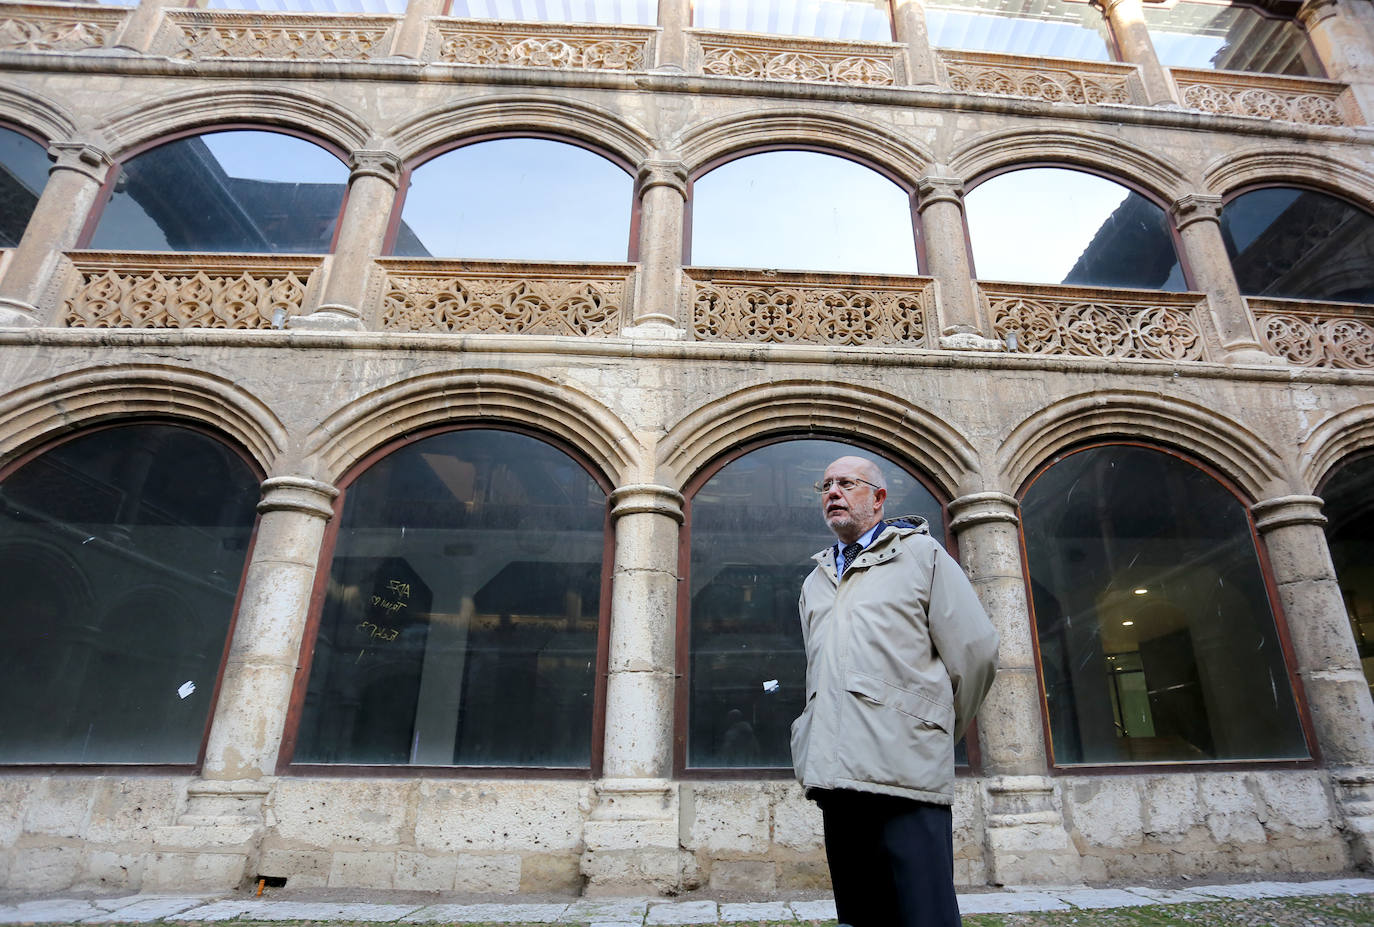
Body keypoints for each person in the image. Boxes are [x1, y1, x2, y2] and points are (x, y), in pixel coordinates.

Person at [791, 456, 1000, 927]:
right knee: (861, 915)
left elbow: (976, 652)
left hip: (906, 772)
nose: (833, 493)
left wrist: (930, 725)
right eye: (825, 485)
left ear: (879, 498)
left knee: (923, 915)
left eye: (846, 483)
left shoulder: (922, 556)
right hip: (838, 777)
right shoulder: (815, 580)